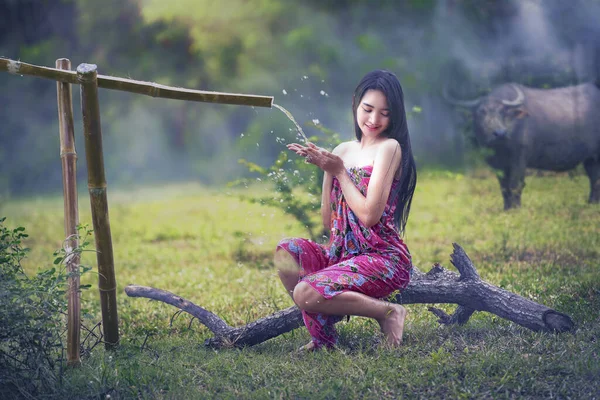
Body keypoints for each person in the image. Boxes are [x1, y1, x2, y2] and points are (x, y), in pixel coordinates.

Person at [274, 69, 417, 351]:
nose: (374, 120)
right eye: (368, 109)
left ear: (395, 115)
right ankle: (324, 337)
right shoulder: (342, 149)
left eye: (385, 113)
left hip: (382, 258)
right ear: (355, 104)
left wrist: (339, 171)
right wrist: (326, 171)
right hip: (341, 255)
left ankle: (389, 313)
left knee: (304, 291)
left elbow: (369, 215)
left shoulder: (390, 148)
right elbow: (329, 224)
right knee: (286, 251)